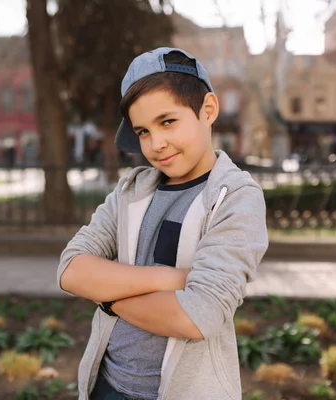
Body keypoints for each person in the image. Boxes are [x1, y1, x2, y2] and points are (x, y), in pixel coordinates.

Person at [57, 47, 268, 400]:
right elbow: (71, 269)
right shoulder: (131, 190)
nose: (156, 144)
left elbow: (198, 315)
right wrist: (171, 279)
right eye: (142, 131)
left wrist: (107, 296)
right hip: (107, 385)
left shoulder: (235, 196)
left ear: (208, 110)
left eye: (167, 122)